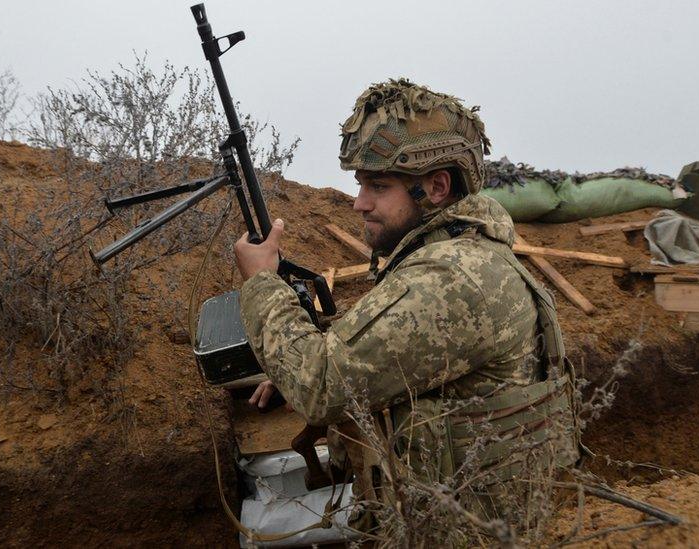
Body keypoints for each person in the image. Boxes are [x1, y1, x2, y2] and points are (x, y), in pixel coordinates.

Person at [233, 79, 578, 531]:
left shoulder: (452, 279)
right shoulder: (458, 257)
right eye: (360, 185)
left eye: (377, 186)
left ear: (436, 188)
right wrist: (290, 365)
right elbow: (384, 354)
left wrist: (261, 280)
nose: (359, 203)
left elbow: (319, 385)